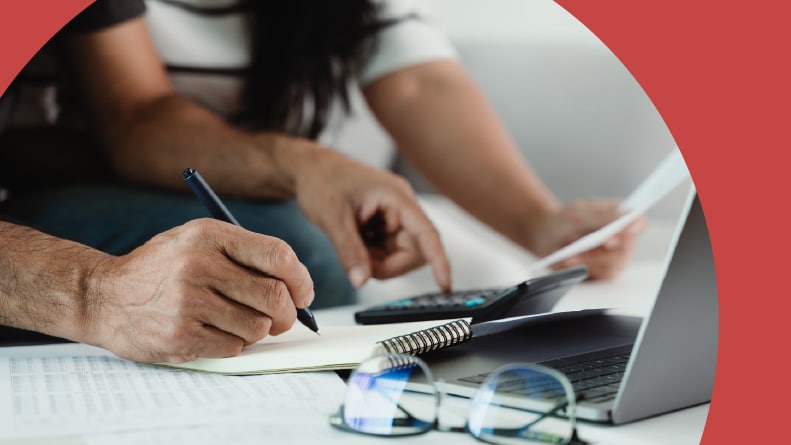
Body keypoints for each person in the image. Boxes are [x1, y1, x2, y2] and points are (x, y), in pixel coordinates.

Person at [2, 0, 643, 310]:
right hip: (68, 183)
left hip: (252, 181)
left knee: (500, 282)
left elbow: (423, 82)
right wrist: (311, 166)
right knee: (296, 247)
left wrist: (540, 222)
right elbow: (138, 120)